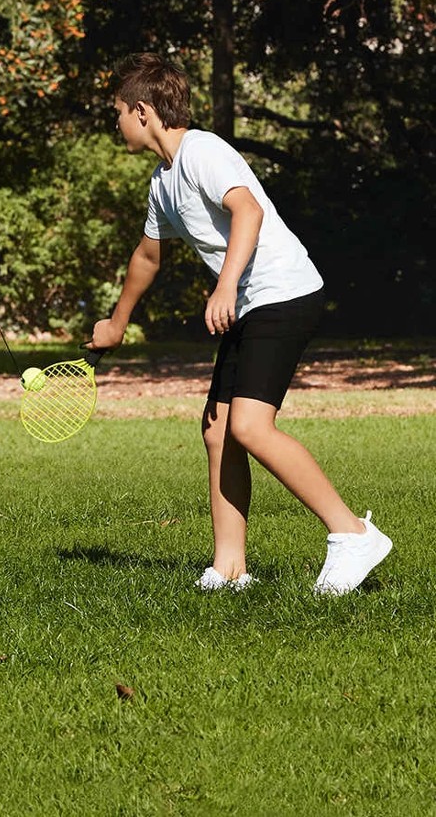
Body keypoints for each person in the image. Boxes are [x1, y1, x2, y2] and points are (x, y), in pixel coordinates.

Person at [88, 53, 392, 596]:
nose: (115, 124)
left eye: (117, 112)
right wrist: (116, 323)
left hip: (283, 291)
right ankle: (230, 569)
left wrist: (225, 285)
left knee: (250, 427)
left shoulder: (203, 151)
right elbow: (147, 257)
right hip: (252, 303)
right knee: (217, 430)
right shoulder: (163, 182)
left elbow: (247, 211)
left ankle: (352, 534)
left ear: (141, 111)